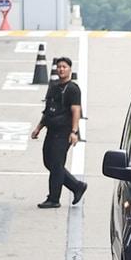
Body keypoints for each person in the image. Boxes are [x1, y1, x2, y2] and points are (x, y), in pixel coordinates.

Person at [30, 57, 87, 209]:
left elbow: (76, 110)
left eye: (64, 67)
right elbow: (48, 110)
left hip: (64, 132)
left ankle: (54, 198)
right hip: (51, 129)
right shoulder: (54, 87)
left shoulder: (73, 89)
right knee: (49, 162)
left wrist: (74, 132)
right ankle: (77, 186)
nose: (61, 69)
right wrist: (38, 128)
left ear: (70, 69)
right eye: (59, 67)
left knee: (56, 164)